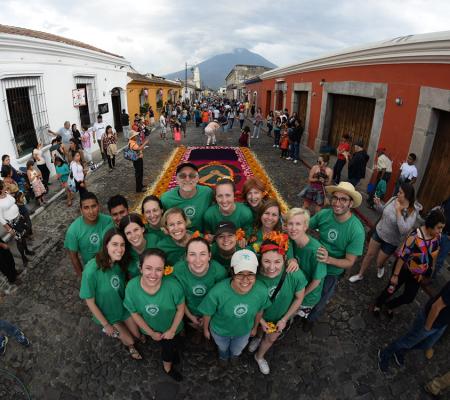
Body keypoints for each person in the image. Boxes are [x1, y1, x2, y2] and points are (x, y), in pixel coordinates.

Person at [305, 182, 365, 330]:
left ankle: (310, 319)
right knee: (305, 290)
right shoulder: (324, 214)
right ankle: (299, 312)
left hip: (332, 272)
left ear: (351, 203)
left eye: (343, 200)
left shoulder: (356, 230)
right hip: (314, 263)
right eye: (335, 198)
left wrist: (328, 259)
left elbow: (350, 262)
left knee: (321, 299)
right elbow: (306, 226)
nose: (337, 203)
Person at [198, 249, 271, 365]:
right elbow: (207, 313)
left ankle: (234, 355)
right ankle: (223, 356)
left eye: (251, 274)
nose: (245, 280)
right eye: (240, 274)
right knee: (222, 347)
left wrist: (255, 327)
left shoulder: (261, 291)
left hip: (244, 331)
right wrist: (206, 330)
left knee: (238, 348)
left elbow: (259, 311)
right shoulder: (217, 292)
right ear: (232, 272)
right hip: (220, 331)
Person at [80, 228, 143, 360]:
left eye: (122, 245)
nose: (119, 249)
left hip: (122, 307)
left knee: (138, 335)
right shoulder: (91, 270)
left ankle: (128, 333)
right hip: (108, 315)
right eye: (115, 244)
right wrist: (106, 324)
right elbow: (89, 302)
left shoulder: (118, 263)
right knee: (131, 341)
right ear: (106, 245)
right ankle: (129, 346)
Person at [124, 249, 185, 381]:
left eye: (158, 269)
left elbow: (180, 309)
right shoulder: (131, 287)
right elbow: (134, 313)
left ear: (164, 270)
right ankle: (167, 368)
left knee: (173, 344)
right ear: (140, 268)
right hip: (153, 330)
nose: (153, 274)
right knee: (167, 350)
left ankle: (172, 354)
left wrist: (172, 330)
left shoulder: (173, 286)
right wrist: (151, 333)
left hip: (173, 328)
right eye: (148, 268)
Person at [248, 237, 306, 374]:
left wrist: (285, 319)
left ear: (285, 259)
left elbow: (299, 298)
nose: (272, 267)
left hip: (279, 319)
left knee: (270, 339)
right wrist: (260, 321)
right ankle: (257, 338)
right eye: (267, 261)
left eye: (277, 262)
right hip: (259, 316)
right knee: (261, 331)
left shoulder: (295, 275)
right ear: (260, 259)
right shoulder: (253, 276)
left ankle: (259, 357)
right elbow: (250, 300)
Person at [373, 209, 445, 318]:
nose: (440, 231)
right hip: (404, 270)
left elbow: (434, 254)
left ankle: (389, 305)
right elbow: (402, 256)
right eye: (439, 228)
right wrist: (395, 275)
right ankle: (378, 304)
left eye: (442, 228)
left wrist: (430, 269)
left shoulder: (437, 237)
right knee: (391, 289)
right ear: (431, 225)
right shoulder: (415, 235)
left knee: (409, 297)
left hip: (417, 275)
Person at [349, 183, 420, 282]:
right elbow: (383, 211)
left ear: (407, 195)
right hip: (379, 232)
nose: (398, 194)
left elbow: (403, 230)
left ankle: (381, 266)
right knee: (369, 254)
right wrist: (378, 204)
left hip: (391, 241)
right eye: (398, 191)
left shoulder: (412, 212)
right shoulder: (394, 199)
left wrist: (398, 211)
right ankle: (360, 274)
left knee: (379, 262)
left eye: (400, 192)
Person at [378, 279, 450, 373]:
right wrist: (427, 327)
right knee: (408, 341)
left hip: (442, 324)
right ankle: (385, 353)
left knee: (426, 344)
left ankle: (401, 351)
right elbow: (436, 307)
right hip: (431, 321)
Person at [173, 237, 227, 343]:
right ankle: (197, 331)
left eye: (202, 254)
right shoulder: (178, 271)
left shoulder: (219, 272)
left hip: (211, 312)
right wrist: (190, 316)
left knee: (208, 328)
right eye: (192, 254)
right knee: (193, 324)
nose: (198, 260)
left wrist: (206, 318)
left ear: (209, 256)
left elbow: (221, 300)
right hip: (187, 309)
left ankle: (206, 333)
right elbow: (178, 297)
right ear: (186, 257)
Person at [285, 208, 327, 320]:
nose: (293, 228)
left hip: (308, 295)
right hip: (297, 286)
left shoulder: (316, 251)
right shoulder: (292, 239)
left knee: (291, 315)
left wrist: (300, 296)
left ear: (305, 226)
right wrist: (292, 258)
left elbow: (316, 281)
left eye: (298, 224)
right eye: (290, 224)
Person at [64, 192, 114, 277]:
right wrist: (83, 278)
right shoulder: (73, 231)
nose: (91, 212)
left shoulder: (109, 221)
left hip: (113, 267)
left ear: (99, 206)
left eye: (93, 206)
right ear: (81, 210)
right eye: (86, 208)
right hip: (93, 272)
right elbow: (74, 257)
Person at [161, 162, 213, 232]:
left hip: (202, 237)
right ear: (177, 179)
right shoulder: (166, 199)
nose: (187, 179)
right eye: (182, 176)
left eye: (192, 176)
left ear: (197, 178)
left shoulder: (207, 192)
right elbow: (162, 223)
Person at [0, 180, 34, 266]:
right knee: (19, 240)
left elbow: (13, 203)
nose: (6, 186)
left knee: (23, 236)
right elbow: (0, 218)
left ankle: (27, 251)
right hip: (12, 224)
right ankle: (23, 257)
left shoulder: (7, 193)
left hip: (19, 218)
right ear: (0, 189)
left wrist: (19, 214)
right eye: (4, 185)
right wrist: (9, 229)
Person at [119, 213, 161, 278]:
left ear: (142, 229)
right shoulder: (124, 253)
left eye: (136, 230)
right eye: (128, 233)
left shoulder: (155, 241)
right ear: (124, 236)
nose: (133, 235)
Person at [435, 196, 450, 277]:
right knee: (431, 252)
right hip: (439, 230)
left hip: (448, 237)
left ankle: (430, 278)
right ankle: (423, 272)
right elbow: (443, 208)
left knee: (439, 260)